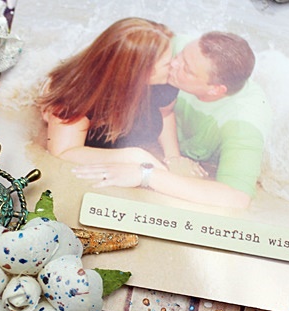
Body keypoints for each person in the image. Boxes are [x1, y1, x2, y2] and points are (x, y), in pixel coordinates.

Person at [73, 31, 272, 209]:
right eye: (180, 55)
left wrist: (146, 175)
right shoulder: (181, 50)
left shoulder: (244, 122)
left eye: (187, 69)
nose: (173, 64)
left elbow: (237, 198)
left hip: (202, 161)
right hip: (154, 144)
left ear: (215, 90)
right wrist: (173, 157)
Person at [38, 18, 179, 170]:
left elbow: (165, 113)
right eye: (167, 63)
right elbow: (63, 152)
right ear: (142, 73)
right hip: (77, 104)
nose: (175, 65)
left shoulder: (166, 81)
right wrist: (132, 156)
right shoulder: (76, 94)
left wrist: (173, 157)